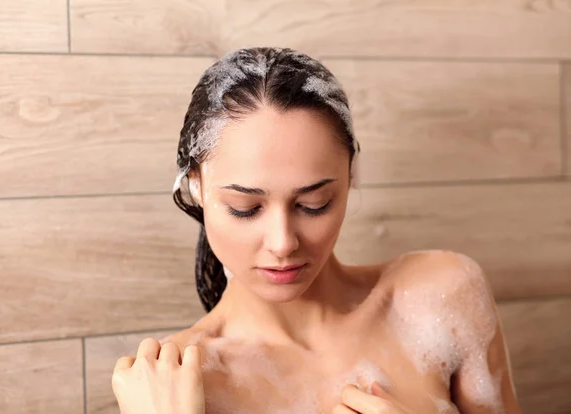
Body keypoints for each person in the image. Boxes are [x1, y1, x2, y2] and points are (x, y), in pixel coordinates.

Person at [111, 47, 521, 414]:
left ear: (351, 176)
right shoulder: (174, 387)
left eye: (313, 204)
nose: (283, 242)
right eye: (245, 208)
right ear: (196, 187)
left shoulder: (441, 298)